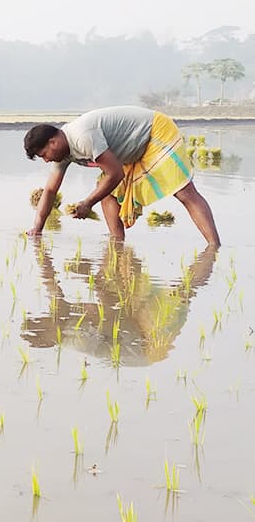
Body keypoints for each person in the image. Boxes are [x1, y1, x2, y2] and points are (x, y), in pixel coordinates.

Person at [24, 105, 220, 246]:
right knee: (107, 193)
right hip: (129, 151)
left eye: (44, 155)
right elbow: (50, 191)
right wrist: (37, 229)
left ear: (53, 143)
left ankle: (214, 247)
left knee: (183, 191)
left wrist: (87, 203)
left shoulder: (82, 137)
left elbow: (115, 173)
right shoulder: (62, 153)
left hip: (154, 132)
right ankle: (117, 245)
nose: (46, 160)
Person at [24, 239, 217, 365]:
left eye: (40, 318)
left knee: (116, 272)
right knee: (185, 291)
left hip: (129, 327)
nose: (44, 317)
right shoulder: (78, 338)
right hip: (146, 342)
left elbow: (51, 283)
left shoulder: (60, 320)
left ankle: (210, 253)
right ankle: (212, 253)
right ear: (50, 339)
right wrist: (88, 276)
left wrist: (39, 248)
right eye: (41, 322)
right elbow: (114, 311)